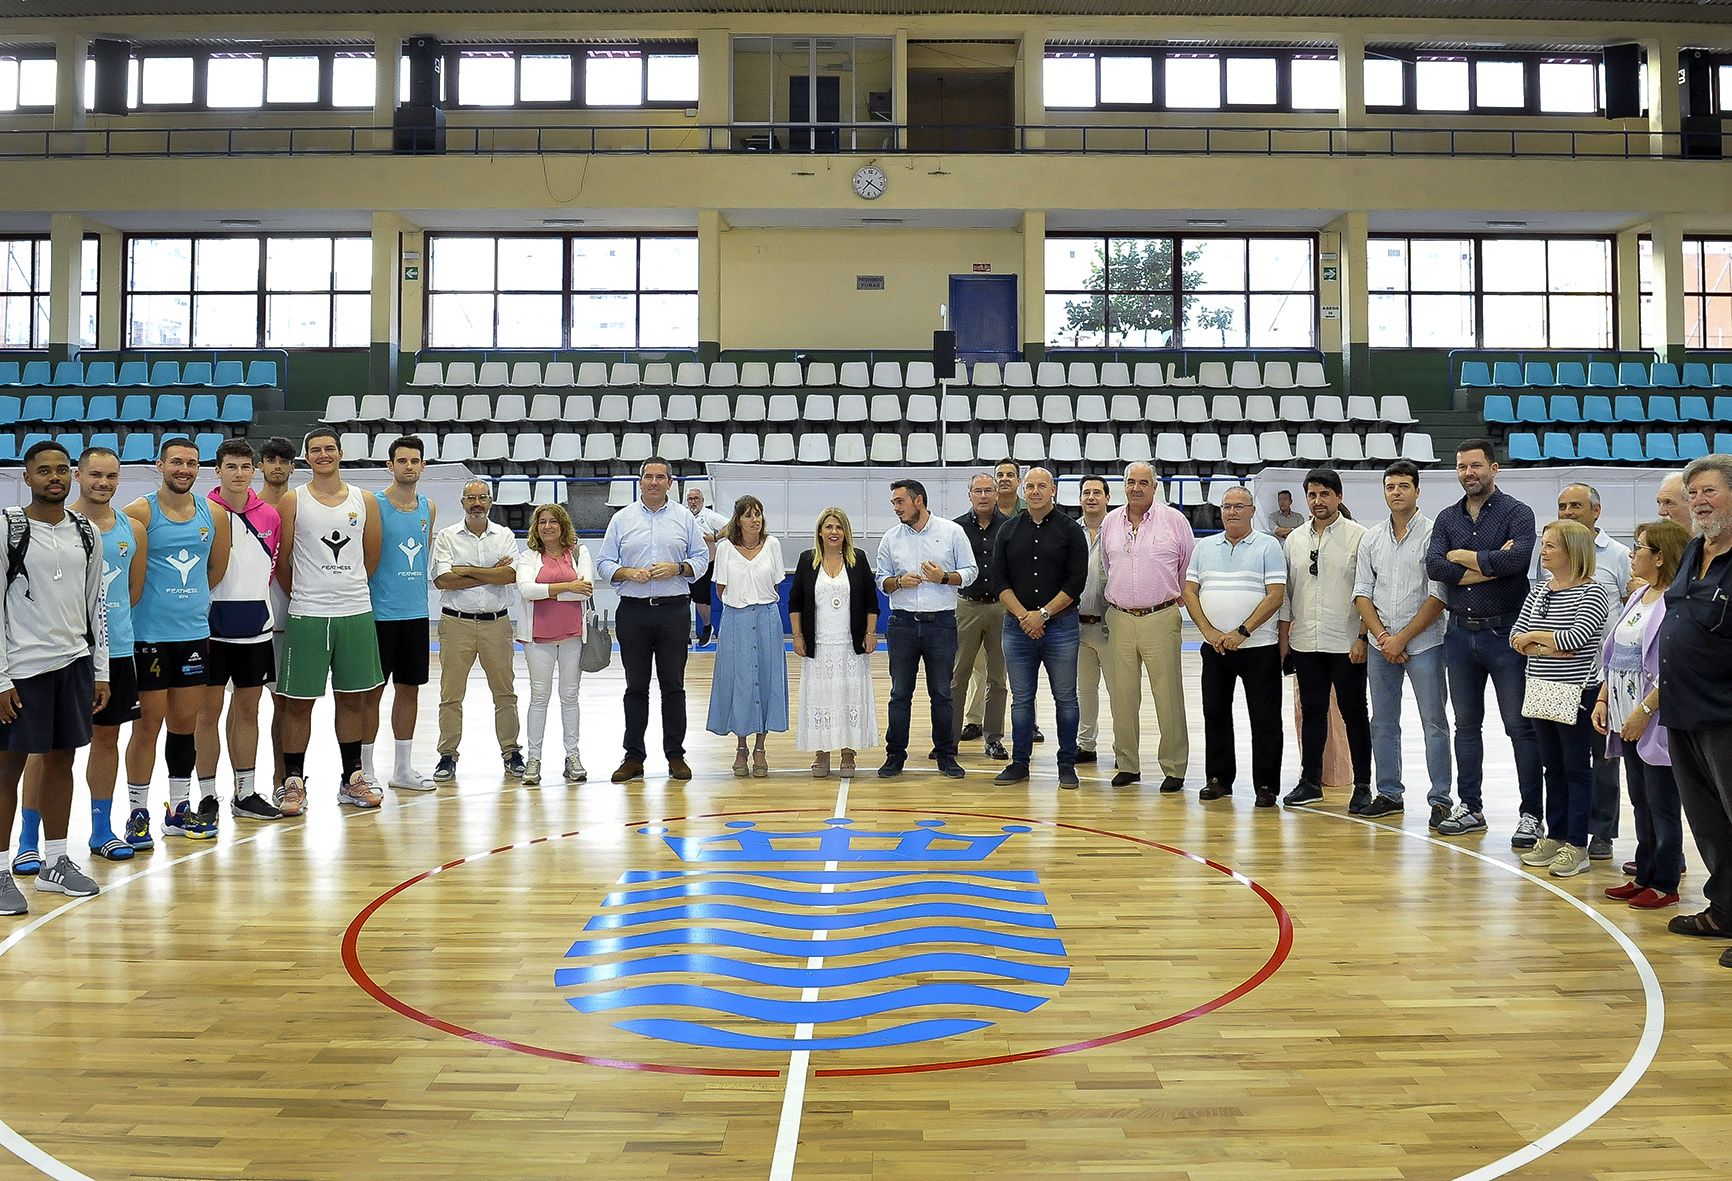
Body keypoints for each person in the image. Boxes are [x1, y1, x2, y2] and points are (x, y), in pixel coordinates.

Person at [0, 441, 109, 916]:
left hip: (75, 665)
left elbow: (95, 606)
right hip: (21, 670)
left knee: (62, 763)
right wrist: (0, 678)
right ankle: (2, 870)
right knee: (7, 769)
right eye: (43, 470)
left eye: (62, 470)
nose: (54, 477)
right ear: (27, 477)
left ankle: (56, 862)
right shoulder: (7, 527)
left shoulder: (85, 531)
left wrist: (100, 668)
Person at [1425, 438, 1542, 845]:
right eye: (1461, 467)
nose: (1468, 473)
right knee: (1466, 727)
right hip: (1458, 634)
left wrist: (1464, 557)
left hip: (1507, 634)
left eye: (1475, 466)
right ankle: (1470, 807)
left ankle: (1531, 815)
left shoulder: (1517, 513)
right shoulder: (1446, 517)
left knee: (1519, 727)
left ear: (1494, 469)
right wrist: (1490, 562)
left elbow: (1518, 562)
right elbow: (1435, 566)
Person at [123, 436, 230, 842]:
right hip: (148, 637)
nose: (184, 469)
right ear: (160, 465)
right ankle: (137, 812)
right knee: (148, 725)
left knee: (185, 724)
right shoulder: (138, 512)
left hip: (193, 636)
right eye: (176, 462)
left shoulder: (213, 513)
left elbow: (215, 569)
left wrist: (189, 602)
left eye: (191, 463)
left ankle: (179, 808)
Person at [275, 428, 384, 812]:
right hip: (308, 613)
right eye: (315, 450)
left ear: (340, 453)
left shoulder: (363, 499)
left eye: (329, 449)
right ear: (306, 457)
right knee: (297, 704)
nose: (323, 455)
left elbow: (371, 557)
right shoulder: (293, 500)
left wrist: (345, 589)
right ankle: (292, 781)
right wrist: (307, 594)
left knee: (352, 700)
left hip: (355, 611)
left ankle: (352, 779)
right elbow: (283, 560)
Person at [1656, 454, 1732, 965]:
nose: (1700, 501)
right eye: (1694, 493)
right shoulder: (1694, 550)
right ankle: (1726, 909)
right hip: (1685, 710)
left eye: (1710, 491)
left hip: (1726, 713)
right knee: (1708, 822)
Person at [1595, 519, 1690, 910]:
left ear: (1660, 556)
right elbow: (1615, 654)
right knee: (1640, 799)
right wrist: (1603, 698)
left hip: (1652, 718)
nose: (1632, 554)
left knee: (1662, 803)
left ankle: (1666, 882)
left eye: (1639, 548)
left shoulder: (1677, 601)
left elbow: (1675, 667)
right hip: (1623, 712)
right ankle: (1646, 872)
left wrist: (1645, 710)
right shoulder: (1640, 596)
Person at [596, 457, 708, 784]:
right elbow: (603, 563)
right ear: (640, 481)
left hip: (674, 610)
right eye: (649, 476)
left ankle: (676, 755)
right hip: (633, 611)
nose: (654, 482)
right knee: (636, 688)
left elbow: (701, 559)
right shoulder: (622, 519)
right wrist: (626, 572)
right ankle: (633, 756)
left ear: (670, 483)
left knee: (674, 686)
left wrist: (679, 568)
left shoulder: (685, 518)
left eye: (661, 477)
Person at [1352, 460, 1452, 824]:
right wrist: (1382, 636)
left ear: (1417, 491)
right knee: (1383, 722)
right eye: (1390, 486)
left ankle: (1441, 798)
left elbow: (1438, 595)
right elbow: (1362, 592)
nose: (1396, 492)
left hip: (1425, 643)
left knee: (1434, 722)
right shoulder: (1372, 537)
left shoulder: (1434, 535)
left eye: (1403, 486)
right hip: (1382, 646)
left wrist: (1402, 639)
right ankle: (1389, 792)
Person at [1510, 520, 1611, 879]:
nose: (1544, 551)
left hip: (1576, 693)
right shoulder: (1540, 591)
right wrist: (1545, 642)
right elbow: (1515, 638)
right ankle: (1554, 836)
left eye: (1552, 545)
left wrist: (1539, 642)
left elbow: (1575, 639)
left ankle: (1577, 844)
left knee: (1576, 769)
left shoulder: (1593, 593)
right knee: (1551, 767)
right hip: (1540, 688)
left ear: (1572, 551)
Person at [195, 439, 284, 824]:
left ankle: (245, 793)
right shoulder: (202, 512)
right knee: (206, 714)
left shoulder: (271, 516)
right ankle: (207, 795)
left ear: (255, 471)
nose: (238, 473)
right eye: (230, 466)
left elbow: (268, 570)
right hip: (209, 630)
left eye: (245, 466)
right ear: (217, 471)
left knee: (249, 710)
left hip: (255, 629)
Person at [1182, 485, 1285, 808]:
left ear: (1252, 511)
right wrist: (1209, 631)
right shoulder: (1205, 547)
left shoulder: (1268, 546)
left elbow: (1275, 595)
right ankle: (1218, 779)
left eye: (1239, 506)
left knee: (1265, 718)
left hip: (1259, 647)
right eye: (1227, 506)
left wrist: (1242, 631)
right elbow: (1189, 591)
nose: (1232, 512)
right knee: (1214, 714)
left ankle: (1266, 785)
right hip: (1215, 648)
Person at [1549, 482, 1634, 861]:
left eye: (1576, 506)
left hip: (1603, 672)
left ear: (1595, 512)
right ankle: (1562, 832)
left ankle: (1601, 832)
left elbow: (1628, 604)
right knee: (1561, 759)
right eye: (1563, 506)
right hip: (1556, 676)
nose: (1568, 512)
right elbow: (1532, 621)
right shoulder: (1552, 559)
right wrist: (1548, 641)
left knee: (1603, 759)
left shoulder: (1617, 554)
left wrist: (1557, 640)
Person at [1280, 467, 1372, 810]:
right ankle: (1310, 781)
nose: (1318, 501)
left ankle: (1362, 784)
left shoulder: (1360, 536)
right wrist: (1286, 642)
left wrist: (1363, 636)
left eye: (1324, 494)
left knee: (1354, 713)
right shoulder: (1295, 539)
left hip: (1347, 642)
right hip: (1306, 642)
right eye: (1312, 495)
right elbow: (1288, 594)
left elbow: (1367, 591)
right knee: (1313, 712)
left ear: (1339, 497)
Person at [1100, 461, 1195, 791]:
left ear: (1155, 487)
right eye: (1130, 482)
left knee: (1167, 696)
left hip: (1161, 616)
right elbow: (1107, 565)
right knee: (1122, 697)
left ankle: (1174, 767)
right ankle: (1127, 763)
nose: (1136, 488)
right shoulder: (1111, 523)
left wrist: (1171, 602)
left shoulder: (1175, 521)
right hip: (1120, 617)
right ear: (1123, 485)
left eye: (1144, 482)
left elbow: (1187, 568)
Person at [992, 468, 1088, 788]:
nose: (1034, 491)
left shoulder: (1071, 531)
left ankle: (1066, 765)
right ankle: (1020, 764)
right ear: (1023, 490)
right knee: (1021, 700)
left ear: (1054, 490)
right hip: (1017, 627)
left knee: (1066, 698)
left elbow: (1076, 582)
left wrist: (1042, 615)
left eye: (1041, 486)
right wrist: (1025, 617)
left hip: (1061, 628)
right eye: (1030, 486)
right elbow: (1000, 581)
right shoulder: (1007, 530)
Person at [875, 478, 976, 779]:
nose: (895, 508)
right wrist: (898, 583)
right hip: (902, 624)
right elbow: (882, 580)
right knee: (899, 693)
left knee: (942, 693)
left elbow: (971, 573)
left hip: (941, 624)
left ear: (918, 501)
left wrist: (944, 577)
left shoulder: (952, 532)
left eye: (899, 501)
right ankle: (895, 756)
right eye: (894, 502)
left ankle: (946, 755)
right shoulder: (890, 538)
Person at [430, 480, 523, 783]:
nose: (476, 503)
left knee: (505, 693)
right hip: (456, 623)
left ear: (490, 502)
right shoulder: (446, 536)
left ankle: (511, 752)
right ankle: (447, 755)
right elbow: (443, 580)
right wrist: (490, 573)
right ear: (462, 502)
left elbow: (510, 575)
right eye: (471, 498)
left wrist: (465, 569)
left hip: (497, 623)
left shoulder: (505, 535)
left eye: (482, 497)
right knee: (451, 694)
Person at [364, 436, 437, 793]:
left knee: (409, 691)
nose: (409, 466)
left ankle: (403, 769)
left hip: (416, 615)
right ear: (389, 466)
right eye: (402, 460)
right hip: (378, 615)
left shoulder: (428, 507)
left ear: (423, 466)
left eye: (415, 461)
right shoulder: (372, 505)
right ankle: (362, 772)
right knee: (370, 695)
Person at [789, 507, 879, 778]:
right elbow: (795, 602)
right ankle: (821, 752)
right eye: (828, 527)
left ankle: (848, 752)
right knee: (821, 698)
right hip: (819, 644)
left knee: (850, 696)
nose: (834, 532)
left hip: (850, 645)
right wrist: (797, 636)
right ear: (819, 531)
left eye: (838, 527)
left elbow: (871, 602)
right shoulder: (807, 560)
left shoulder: (858, 559)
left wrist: (871, 633)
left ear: (845, 532)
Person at [706, 495, 789, 775]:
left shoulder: (773, 545)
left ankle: (761, 747)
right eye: (749, 515)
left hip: (767, 618)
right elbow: (721, 589)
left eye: (759, 514)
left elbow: (777, 581)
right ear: (737, 520)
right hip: (736, 620)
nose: (756, 520)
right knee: (739, 681)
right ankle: (741, 746)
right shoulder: (726, 548)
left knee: (766, 679)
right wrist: (741, 602)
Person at [514, 503, 593, 787]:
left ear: (563, 526)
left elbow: (585, 590)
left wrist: (548, 593)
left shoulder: (580, 553)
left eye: (553, 522)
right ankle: (533, 759)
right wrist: (565, 587)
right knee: (539, 697)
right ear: (536, 528)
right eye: (542, 522)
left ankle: (572, 756)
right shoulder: (527, 557)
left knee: (570, 696)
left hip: (572, 634)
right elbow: (526, 590)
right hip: (538, 638)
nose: (547, 526)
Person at [951, 473, 1008, 761]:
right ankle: (948, 741)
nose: (983, 496)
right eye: (978, 491)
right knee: (958, 676)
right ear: (969, 494)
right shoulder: (955, 528)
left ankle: (994, 739)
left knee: (997, 678)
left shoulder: (1010, 527)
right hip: (967, 606)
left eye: (988, 490)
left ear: (997, 495)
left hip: (1001, 607)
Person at [257, 436, 295, 795]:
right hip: (250, 622)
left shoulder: (301, 506)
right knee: (244, 703)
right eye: (271, 459)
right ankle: (242, 784)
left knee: (286, 705)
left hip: (293, 616)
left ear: (292, 467)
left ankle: (283, 778)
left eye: (284, 460)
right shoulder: (246, 509)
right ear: (261, 466)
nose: (278, 466)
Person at [1075, 475, 1111, 766]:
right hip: (1075, 625)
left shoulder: (1120, 529)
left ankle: (1125, 748)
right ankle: (1085, 745)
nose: (1091, 497)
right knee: (1084, 691)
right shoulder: (1070, 531)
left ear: (1107, 498)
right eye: (1086, 492)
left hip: (1111, 624)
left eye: (1097, 492)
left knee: (1120, 691)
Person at [685, 485, 727, 647]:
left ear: (702, 501)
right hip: (685, 563)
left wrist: (715, 537)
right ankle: (684, 632)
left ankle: (707, 626)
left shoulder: (709, 516)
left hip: (705, 563)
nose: (693, 502)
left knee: (701, 600)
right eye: (690, 499)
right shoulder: (683, 515)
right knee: (683, 599)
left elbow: (730, 526)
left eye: (696, 499)